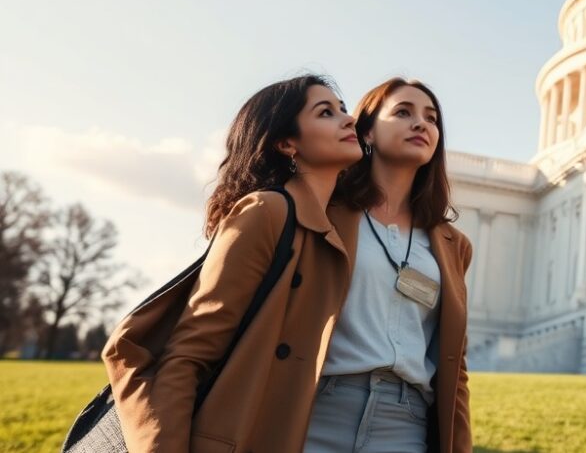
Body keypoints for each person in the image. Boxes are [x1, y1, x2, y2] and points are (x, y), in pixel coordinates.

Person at [104, 74, 363, 452]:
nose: (348, 118)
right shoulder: (266, 210)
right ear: (287, 143)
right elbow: (190, 351)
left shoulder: (331, 226)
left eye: (343, 109)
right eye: (326, 112)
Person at [308, 77, 473, 453]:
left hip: (405, 423)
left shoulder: (451, 245)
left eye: (431, 119)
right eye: (403, 112)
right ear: (365, 131)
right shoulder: (323, 211)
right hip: (319, 410)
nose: (421, 124)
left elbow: (454, 366)